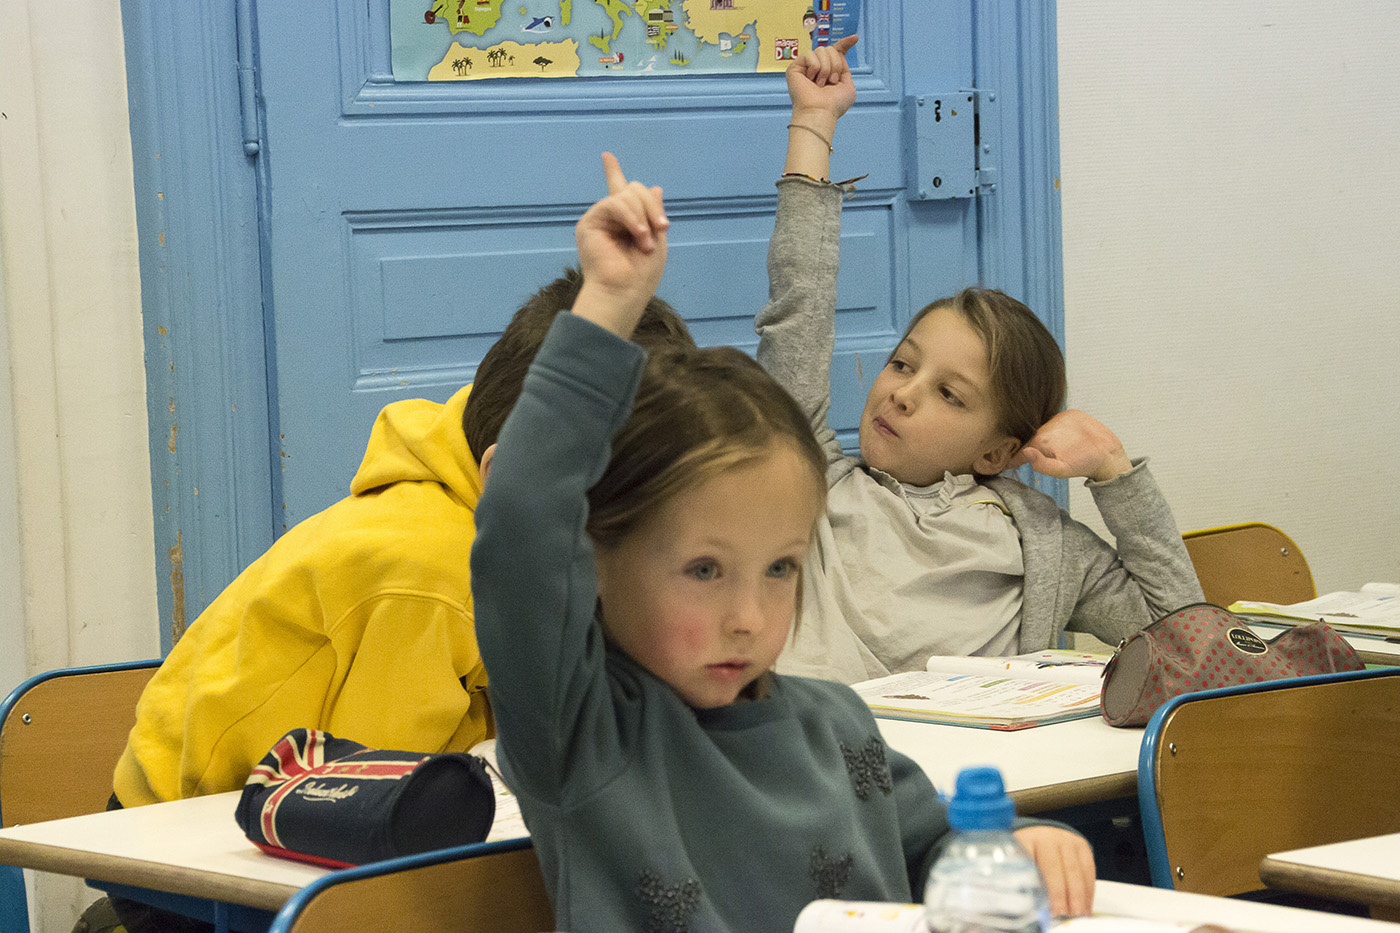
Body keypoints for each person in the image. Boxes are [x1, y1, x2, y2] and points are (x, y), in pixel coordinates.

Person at [470, 150, 1096, 932]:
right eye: (704, 569)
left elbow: (939, 851)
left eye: (781, 569)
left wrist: (1028, 846)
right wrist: (608, 304)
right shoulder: (585, 732)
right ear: (595, 559)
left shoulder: (837, 727)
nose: (749, 614)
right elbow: (521, 523)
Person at [93, 270, 694, 933]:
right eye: (631, 507)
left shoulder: (480, 495)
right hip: (177, 857)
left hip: (270, 813)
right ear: (509, 475)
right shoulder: (431, 578)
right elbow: (385, 812)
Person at [758, 36, 1204, 684]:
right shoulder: (814, 478)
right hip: (825, 766)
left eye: (951, 394)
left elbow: (1190, 649)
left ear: (997, 452)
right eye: (904, 364)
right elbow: (797, 313)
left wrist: (1114, 472)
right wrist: (814, 123)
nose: (903, 393)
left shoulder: (1043, 545)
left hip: (971, 780)